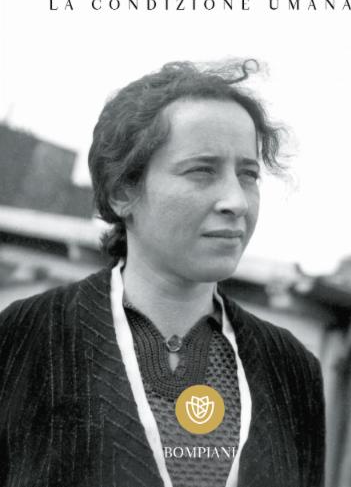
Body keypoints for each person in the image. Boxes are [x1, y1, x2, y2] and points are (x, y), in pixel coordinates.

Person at [0, 60, 325, 487]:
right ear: (122, 191)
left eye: (248, 175)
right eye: (202, 171)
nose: (237, 202)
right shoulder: (26, 336)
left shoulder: (291, 368)